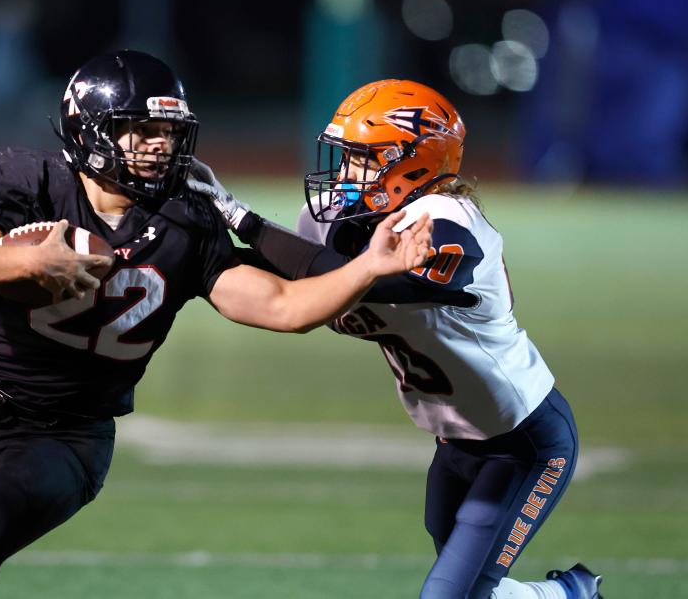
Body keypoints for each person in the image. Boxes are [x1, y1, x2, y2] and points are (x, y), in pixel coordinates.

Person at [0, 52, 433, 599]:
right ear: (91, 131)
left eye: (170, 132)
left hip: (65, 436)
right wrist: (30, 262)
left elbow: (283, 308)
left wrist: (369, 266)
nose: (161, 146)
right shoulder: (28, 183)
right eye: (142, 130)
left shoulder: (187, 220)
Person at [188, 79, 603, 599]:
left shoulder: (444, 224)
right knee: (476, 593)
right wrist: (190, 227)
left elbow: (356, 276)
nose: (343, 175)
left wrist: (240, 217)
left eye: (361, 159)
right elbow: (297, 278)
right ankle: (569, 595)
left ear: (412, 162)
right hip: (454, 442)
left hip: (523, 441)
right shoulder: (344, 224)